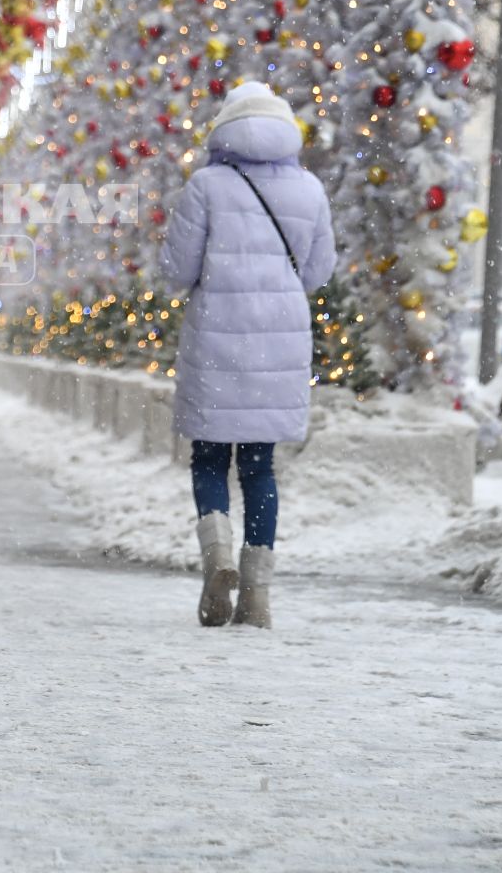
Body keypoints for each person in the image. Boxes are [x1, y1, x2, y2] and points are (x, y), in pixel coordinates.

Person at [159, 82, 335, 630]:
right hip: (279, 343)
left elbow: (176, 270)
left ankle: (217, 559)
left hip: (216, 337)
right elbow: (318, 271)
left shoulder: (206, 185)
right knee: (260, 467)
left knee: (209, 458)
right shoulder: (310, 190)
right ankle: (256, 595)